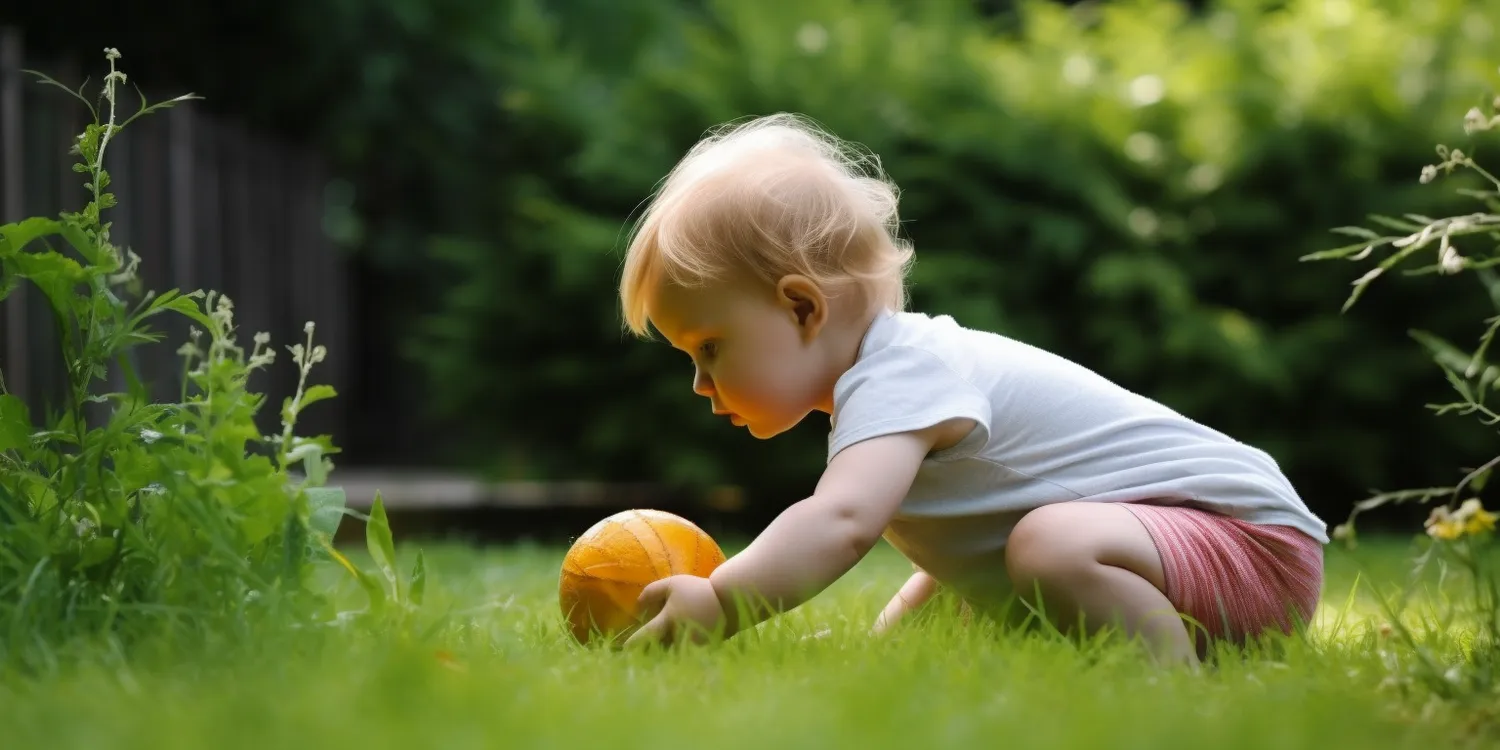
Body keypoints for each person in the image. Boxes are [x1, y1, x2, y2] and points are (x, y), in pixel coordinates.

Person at [614, 113, 1327, 665]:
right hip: (1199, 554)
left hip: (1256, 548)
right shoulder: (895, 386)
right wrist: (881, 655)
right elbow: (954, 565)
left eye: (710, 348)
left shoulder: (903, 373)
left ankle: (1168, 693)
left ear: (803, 307)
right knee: (1027, 555)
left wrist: (720, 602)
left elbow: (839, 523)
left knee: (1050, 546)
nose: (702, 385)